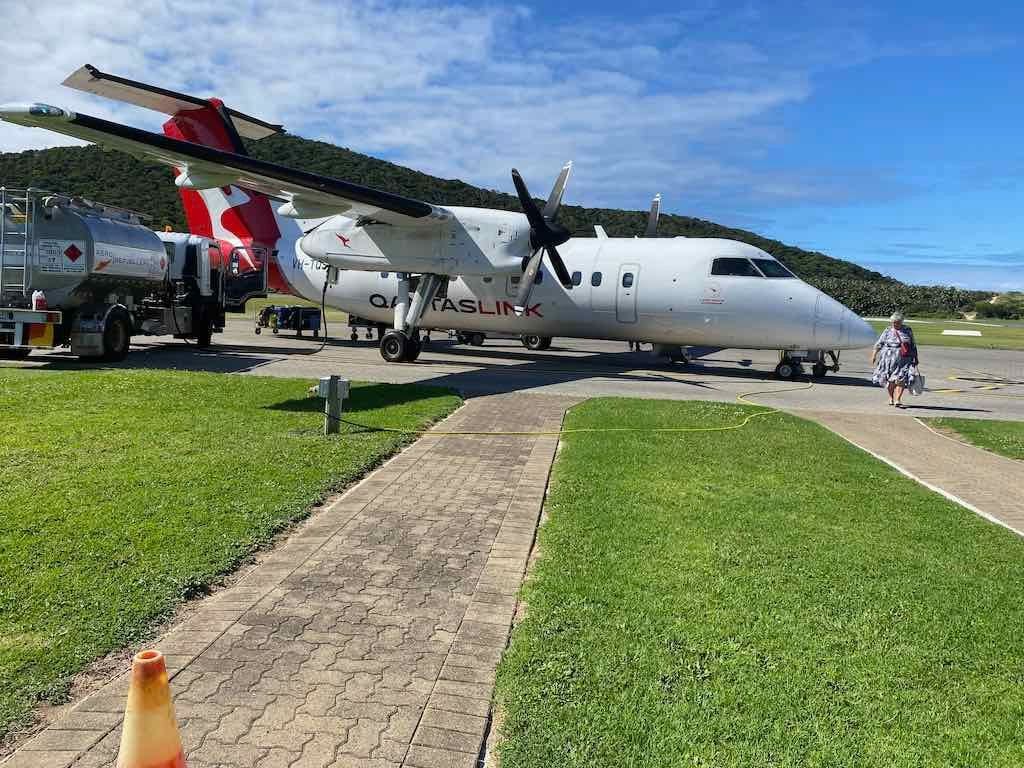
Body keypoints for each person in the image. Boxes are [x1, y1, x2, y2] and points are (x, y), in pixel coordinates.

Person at [870, 312, 919, 408]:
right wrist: (874, 355)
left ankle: (898, 399)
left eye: (897, 322)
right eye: (893, 322)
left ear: (901, 322)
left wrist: (915, 357)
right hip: (888, 359)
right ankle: (891, 398)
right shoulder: (888, 330)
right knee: (890, 380)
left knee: (901, 379)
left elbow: (913, 345)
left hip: (904, 358)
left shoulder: (907, 330)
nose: (895, 324)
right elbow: (879, 343)